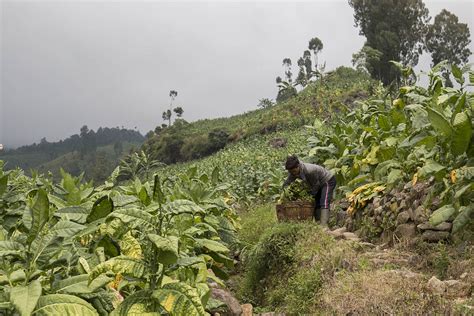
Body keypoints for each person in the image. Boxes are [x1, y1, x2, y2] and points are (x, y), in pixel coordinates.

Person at [283, 155, 336, 227]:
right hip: (317, 183)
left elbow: (316, 185)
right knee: (316, 202)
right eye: (291, 172)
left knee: (324, 201)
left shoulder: (309, 171)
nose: (293, 173)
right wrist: (284, 190)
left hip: (327, 180)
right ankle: (318, 222)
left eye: (294, 171)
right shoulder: (293, 172)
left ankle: (324, 225)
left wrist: (310, 195)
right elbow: (288, 182)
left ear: (298, 166)